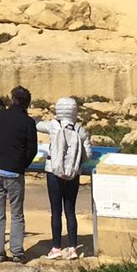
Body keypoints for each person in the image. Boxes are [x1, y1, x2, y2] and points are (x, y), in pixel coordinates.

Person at [0, 86, 38, 263]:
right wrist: (21, 165)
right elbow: (32, 150)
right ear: (27, 104)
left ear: (12, 99)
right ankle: (17, 252)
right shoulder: (29, 123)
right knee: (16, 213)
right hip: (14, 172)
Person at [42, 96, 92, 261]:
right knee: (70, 211)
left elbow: (38, 125)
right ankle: (72, 248)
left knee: (56, 211)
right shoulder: (80, 130)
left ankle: (56, 247)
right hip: (73, 174)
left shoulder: (53, 126)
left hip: (53, 172)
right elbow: (88, 155)